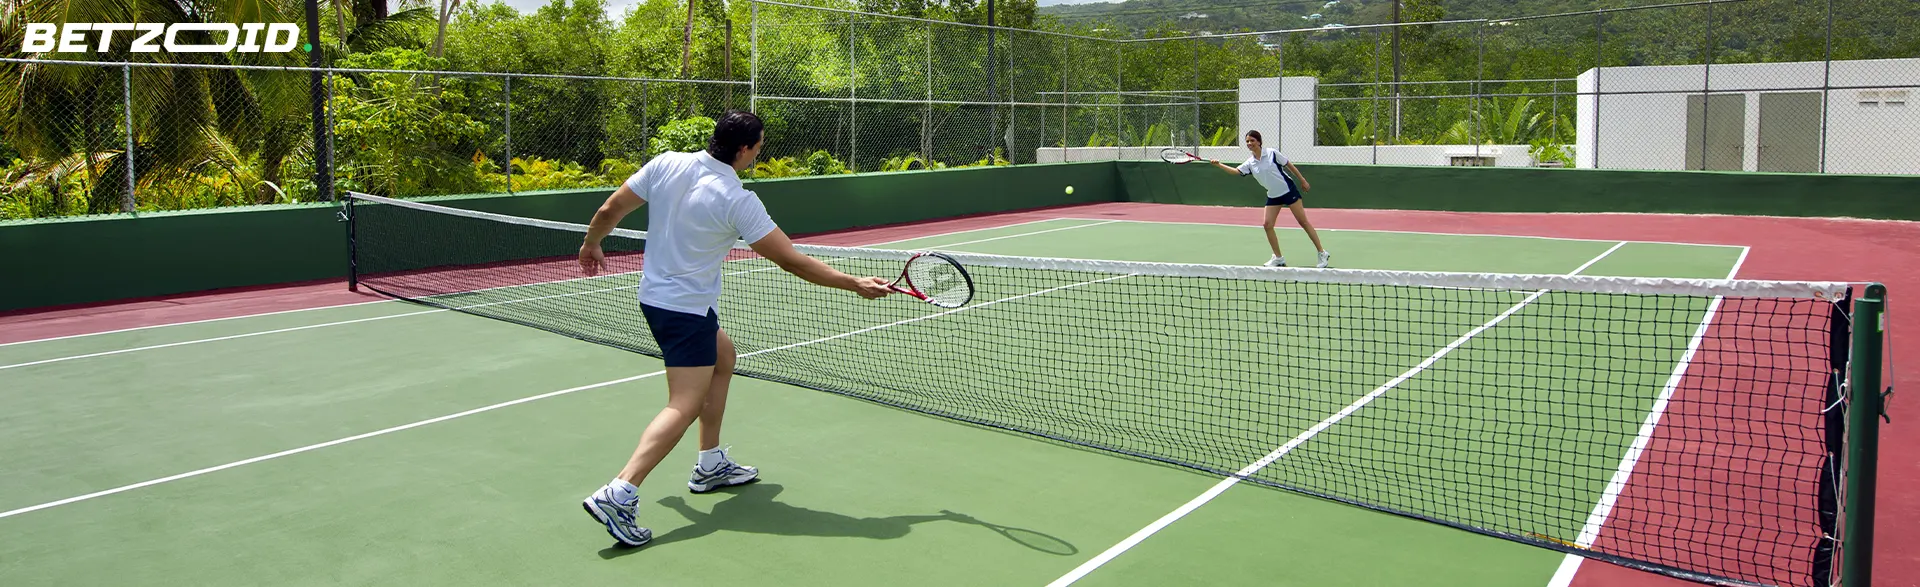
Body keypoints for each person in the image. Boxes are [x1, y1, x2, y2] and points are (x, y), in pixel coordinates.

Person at [575, 110, 894, 548]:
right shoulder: (737, 199)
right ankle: (620, 491)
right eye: (759, 148)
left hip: (656, 298)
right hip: (684, 311)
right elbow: (791, 259)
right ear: (744, 149)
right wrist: (853, 283)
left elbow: (610, 208)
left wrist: (592, 242)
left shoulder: (667, 161)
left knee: (724, 356)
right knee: (683, 404)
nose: (759, 155)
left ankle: (710, 464)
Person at [1208, 130, 1329, 268]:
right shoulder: (1250, 163)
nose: (1249, 143)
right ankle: (1278, 258)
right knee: (1267, 225)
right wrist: (1219, 165)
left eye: (1252, 140)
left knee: (1303, 222)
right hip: (1273, 195)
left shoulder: (1272, 153)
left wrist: (1302, 180)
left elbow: (1289, 165)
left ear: (1259, 142)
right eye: (1247, 141)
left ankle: (1322, 253)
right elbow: (1236, 171)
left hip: (1288, 191)